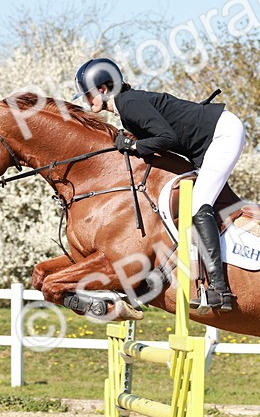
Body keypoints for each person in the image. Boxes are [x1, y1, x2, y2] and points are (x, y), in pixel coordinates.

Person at [73, 58, 246, 311]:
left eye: (87, 95)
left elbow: (167, 138)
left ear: (102, 89)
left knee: (199, 204)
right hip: (209, 141)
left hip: (223, 134)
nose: (85, 102)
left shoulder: (130, 104)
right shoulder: (127, 107)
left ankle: (220, 290)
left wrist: (133, 145)